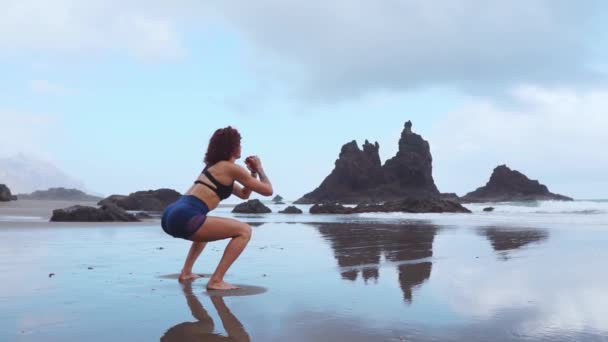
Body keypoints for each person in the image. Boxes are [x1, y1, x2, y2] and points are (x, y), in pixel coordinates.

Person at [161, 126, 273, 290]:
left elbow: (244, 194)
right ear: (232, 147)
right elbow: (268, 191)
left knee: (204, 230)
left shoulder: (215, 168)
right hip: (185, 216)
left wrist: (253, 173)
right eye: (239, 143)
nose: (241, 147)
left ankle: (186, 272)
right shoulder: (230, 167)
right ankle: (216, 281)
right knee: (244, 231)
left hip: (171, 214)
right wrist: (261, 169)